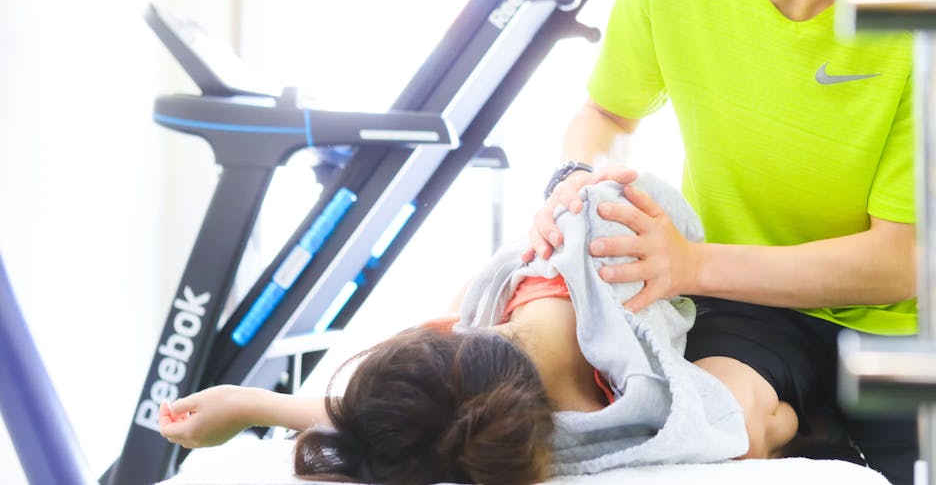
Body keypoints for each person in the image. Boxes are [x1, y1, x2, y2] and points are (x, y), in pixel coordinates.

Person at [525, 0, 919, 483]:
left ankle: (816, 429)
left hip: (898, 324)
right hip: (744, 303)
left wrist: (690, 264)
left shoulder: (928, 15)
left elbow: (900, 263)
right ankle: (796, 431)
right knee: (709, 434)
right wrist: (578, 174)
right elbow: (606, 114)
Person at [159, 176, 755, 485]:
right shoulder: (597, 237)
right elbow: (410, 412)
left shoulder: (583, 415)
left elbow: (410, 416)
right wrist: (248, 403)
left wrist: (254, 404)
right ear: (450, 335)